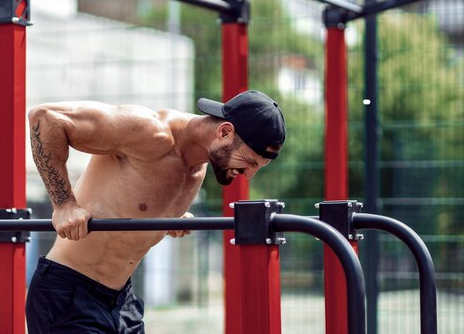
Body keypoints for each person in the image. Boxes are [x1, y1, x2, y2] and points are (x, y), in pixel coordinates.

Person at [25, 90, 286, 334]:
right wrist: (64, 204)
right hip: (69, 294)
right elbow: (46, 117)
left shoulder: (198, 168)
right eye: (249, 162)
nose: (249, 175)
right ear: (225, 132)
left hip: (121, 300)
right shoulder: (150, 132)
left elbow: (135, 198)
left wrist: (165, 220)